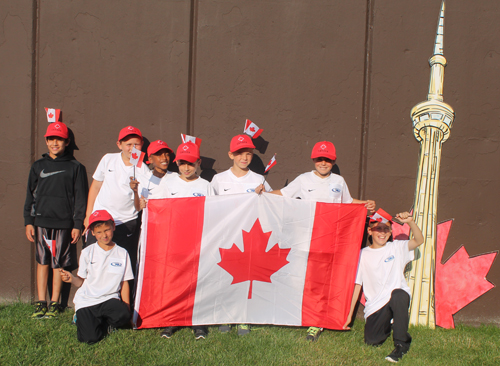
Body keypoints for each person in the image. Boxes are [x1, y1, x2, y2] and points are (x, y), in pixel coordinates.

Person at [269, 140, 376, 341]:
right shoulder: (303, 179)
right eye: (319, 158)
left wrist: (365, 203)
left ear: (333, 161)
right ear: (313, 160)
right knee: (304, 278)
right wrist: (262, 195)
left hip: (331, 239)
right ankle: (299, 314)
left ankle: (316, 322)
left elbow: (347, 203)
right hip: (306, 238)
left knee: (323, 280)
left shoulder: (339, 181)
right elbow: (283, 195)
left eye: (327, 159)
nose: (323, 162)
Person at [208, 134, 271, 335]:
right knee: (226, 276)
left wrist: (264, 194)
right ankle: (225, 315)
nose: (244, 157)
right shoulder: (218, 179)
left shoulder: (259, 178)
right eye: (239, 153)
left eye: (248, 153)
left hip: (249, 238)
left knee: (246, 277)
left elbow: (272, 204)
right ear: (230, 155)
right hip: (226, 237)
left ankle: (244, 317)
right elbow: (210, 207)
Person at [24, 122, 88, 318]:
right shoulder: (38, 166)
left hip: (64, 224)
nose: (55, 143)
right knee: (42, 262)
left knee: (58, 263)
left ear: (67, 142)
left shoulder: (76, 167)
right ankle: (41, 302)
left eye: (59, 139)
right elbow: (30, 195)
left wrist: (77, 224)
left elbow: (81, 199)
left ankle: (55, 304)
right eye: (51, 139)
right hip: (41, 222)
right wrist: (29, 220)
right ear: (46, 140)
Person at [343, 210, 424, 363]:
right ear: (369, 231)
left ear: (390, 231)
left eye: (386, 229)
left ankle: (401, 344)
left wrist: (410, 222)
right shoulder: (362, 254)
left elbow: (419, 240)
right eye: (378, 228)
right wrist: (348, 315)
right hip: (376, 305)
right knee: (372, 341)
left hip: (395, 297)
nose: (382, 232)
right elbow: (357, 285)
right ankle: (391, 323)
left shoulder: (396, 247)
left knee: (400, 294)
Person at [84, 126, 149, 305]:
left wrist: (140, 198)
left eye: (136, 144)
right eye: (128, 144)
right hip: (99, 222)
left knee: (121, 267)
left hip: (126, 223)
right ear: (119, 145)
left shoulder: (143, 169)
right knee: (94, 263)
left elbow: (140, 204)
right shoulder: (108, 159)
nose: (132, 148)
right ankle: (89, 302)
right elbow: (95, 186)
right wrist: (88, 215)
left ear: (141, 145)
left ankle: (122, 305)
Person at [159, 141, 210, 339]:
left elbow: (214, 212)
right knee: (174, 280)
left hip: (198, 241)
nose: (186, 168)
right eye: (182, 163)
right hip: (174, 241)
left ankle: (198, 322)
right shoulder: (168, 183)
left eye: (190, 163)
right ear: (176, 163)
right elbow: (157, 208)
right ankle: (173, 319)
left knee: (197, 281)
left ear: (198, 163)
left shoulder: (205, 185)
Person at [60, 210, 133, 344]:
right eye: (99, 232)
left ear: (113, 228)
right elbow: (80, 282)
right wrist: (71, 279)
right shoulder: (87, 252)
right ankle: (80, 318)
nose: (104, 235)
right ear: (92, 233)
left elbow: (124, 283)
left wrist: (127, 311)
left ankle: (101, 321)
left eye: (107, 230)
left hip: (109, 299)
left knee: (123, 315)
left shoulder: (122, 253)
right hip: (88, 300)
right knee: (90, 339)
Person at [129, 139, 174, 211]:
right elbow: (138, 208)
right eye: (159, 155)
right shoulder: (142, 179)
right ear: (150, 159)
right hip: (151, 221)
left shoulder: (176, 177)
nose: (164, 158)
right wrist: (135, 191)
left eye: (167, 154)